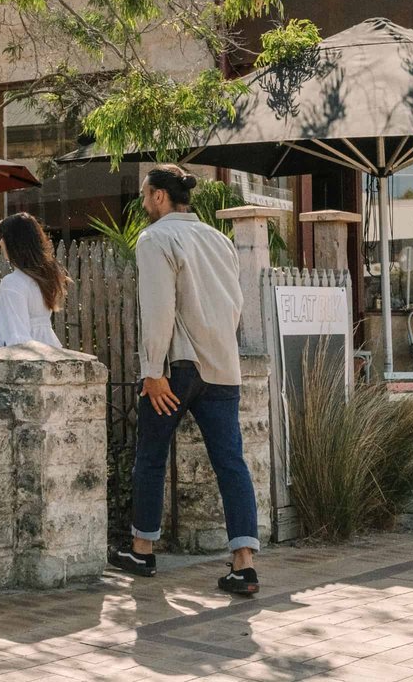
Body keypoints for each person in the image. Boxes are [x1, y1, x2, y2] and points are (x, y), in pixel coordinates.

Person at [107, 165, 262, 596]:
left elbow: (158, 310)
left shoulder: (155, 239)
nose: (141, 202)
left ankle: (142, 550)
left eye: (144, 195)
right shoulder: (219, 240)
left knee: (151, 457)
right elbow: (236, 304)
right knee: (231, 463)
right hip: (222, 365)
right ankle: (244, 565)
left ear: (159, 196)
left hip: (178, 367)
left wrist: (152, 372)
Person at [0, 212, 67, 349]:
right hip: (48, 347)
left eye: (3, 237)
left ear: (15, 242)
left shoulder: (13, 283)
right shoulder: (42, 279)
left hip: (21, 360)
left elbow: (17, 338)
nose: (0, 242)